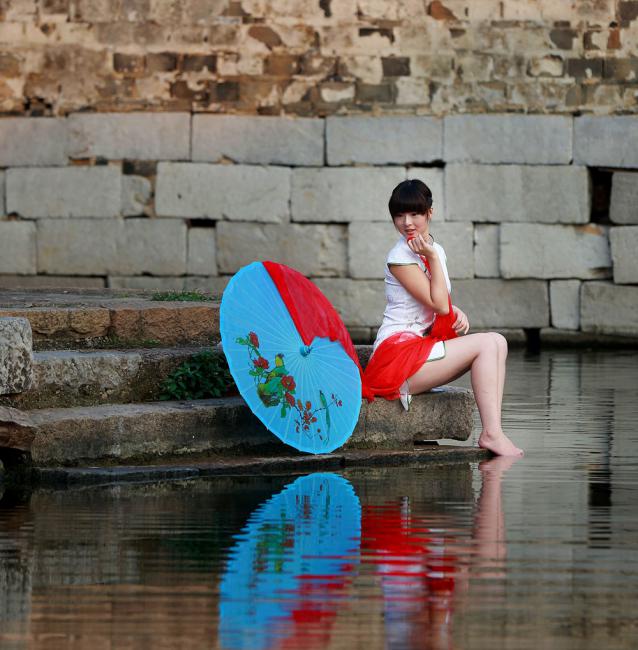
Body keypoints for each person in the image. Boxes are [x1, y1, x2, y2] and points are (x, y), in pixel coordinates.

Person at [363, 179, 523, 457]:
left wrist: (453, 308)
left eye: (415, 214)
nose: (407, 222)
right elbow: (437, 302)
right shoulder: (399, 257)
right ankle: (491, 434)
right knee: (487, 344)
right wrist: (434, 261)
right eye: (399, 215)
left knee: (498, 342)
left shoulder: (434, 250)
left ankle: (494, 431)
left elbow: (433, 298)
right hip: (395, 357)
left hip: (417, 351)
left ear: (429, 214)